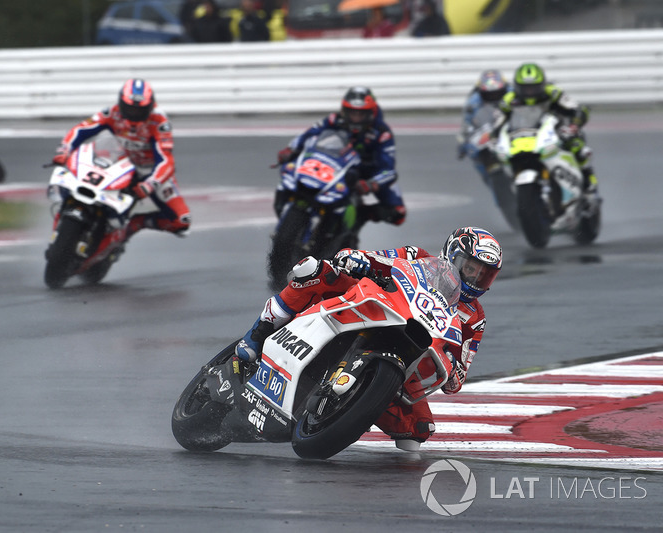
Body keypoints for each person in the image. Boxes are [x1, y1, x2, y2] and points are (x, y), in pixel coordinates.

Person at [235, 226, 503, 450]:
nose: (476, 279)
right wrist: (356, 259)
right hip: (373, 305)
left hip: (409, 351)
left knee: (419, 429)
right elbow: (375, 257)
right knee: (316, 270)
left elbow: (459, 375)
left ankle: (352, 408)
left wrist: (454, 371)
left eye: (485, 275)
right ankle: (258, 334)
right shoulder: (417, 257)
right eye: (471, 269)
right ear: (452, 255)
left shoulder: (475, 318)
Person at [52, 79, 192, 239]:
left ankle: (137, 223)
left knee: (182, 221)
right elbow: (81, 129)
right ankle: (60, 226)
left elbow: (167, 161)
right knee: (75, 181)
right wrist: (64, 150)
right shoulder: (112, 112)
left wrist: (150, 184)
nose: (134, 114)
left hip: (149, 172)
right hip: (118, 163)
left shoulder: (159, 122)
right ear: (121, 103)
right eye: (129, 109)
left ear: (151, 106)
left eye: (140, 110)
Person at [274, 86, 406, 231]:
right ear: (344, 110)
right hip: (332, 163)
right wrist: (290, 149)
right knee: (293, 165)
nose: (355, 118)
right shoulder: (333, 119)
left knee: (398, 213)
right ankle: (289, 201)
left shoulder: (382, 133)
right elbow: (308, 134)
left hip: (364, 173)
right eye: (351, 113)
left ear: (370, 113)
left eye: (360, 114)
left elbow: (389, 170)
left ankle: (360, 215)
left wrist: (372, 183)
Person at [497, 62, 599, 199]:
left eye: (533, 88)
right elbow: (498, 122)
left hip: (556, 129)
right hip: (524, 136)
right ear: (517, 87)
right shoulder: (508, 100)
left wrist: (573, 125)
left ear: (542, 85)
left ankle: (588, 179)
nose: (530, 92)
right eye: (525, 89)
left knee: (576, 145)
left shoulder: (554, 93)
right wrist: (493, 137)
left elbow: (579, 109)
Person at [455, 69, 510, 160]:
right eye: (489, 95)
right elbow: (466, 125)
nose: (494, 97)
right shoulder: (474, 102)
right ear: (481, 93)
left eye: (497, 93)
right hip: (487, 134)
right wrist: (463, 143)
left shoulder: (511, 94)